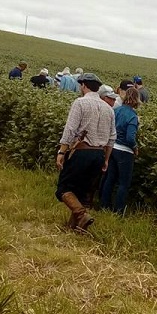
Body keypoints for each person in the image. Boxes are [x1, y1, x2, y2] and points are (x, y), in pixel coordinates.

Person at [55, 73, 116, 231]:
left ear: (83, 86)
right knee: (82, 190)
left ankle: (81, 215)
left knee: (64, 188)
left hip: (82, 151)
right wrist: (106, 159)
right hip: (99, 154)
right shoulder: (108, 109)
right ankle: (74, 227)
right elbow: (111, 138)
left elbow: (70, 129)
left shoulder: (80, 103)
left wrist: (62, 152)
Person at [100, 87, 140, 214]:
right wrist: (135, 148)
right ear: (136, 100)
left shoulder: (115, 111)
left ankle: (104, 206)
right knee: (123, 183)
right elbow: (130, 137)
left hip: (112, 148)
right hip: (125, 152)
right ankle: (119, 211)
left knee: (110, 178)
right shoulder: (133, 116)